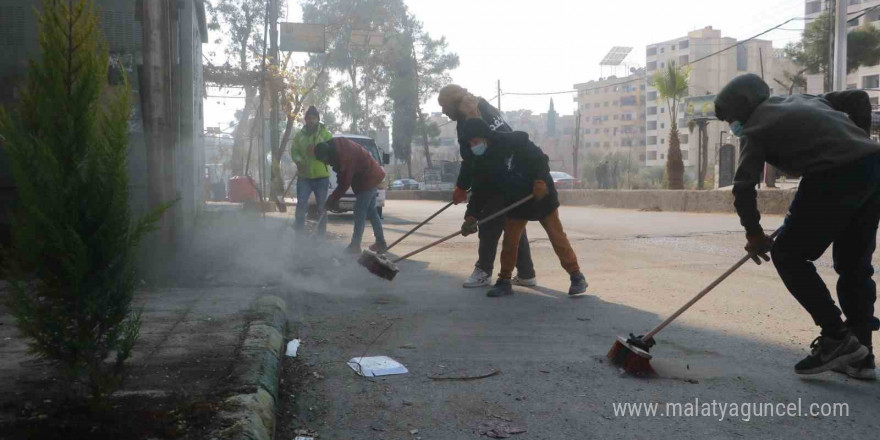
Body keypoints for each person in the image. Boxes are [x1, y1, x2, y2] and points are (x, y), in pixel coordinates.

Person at [714, 73, 880, 379]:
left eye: (730, 120)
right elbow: (858, 99)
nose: (732, 127)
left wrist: (754, 234)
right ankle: (861, 357)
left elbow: (742, 187)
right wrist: (858, 144)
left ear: (742, 110)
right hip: (873, 168)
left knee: (788, 255)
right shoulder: (803, 99)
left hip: (834, 175)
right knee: (854, 266)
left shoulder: (755, 128)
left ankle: (836, 338)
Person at [460, 118, 588, 297]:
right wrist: (471, 216)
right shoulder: (483, 161)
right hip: (515, 200)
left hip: (540, 194)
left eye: (475, 142)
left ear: (485, 137)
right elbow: (481, 189)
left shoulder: (514, 141)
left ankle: (577, 277)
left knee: (557, 236)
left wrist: (540, 180)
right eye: (470, 143)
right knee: (510, 241)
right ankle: (504, 281)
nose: (474, 146)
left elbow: (541, 159)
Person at [437, 84, 537, 289]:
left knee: (489, 224)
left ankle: (483, 271)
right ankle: (526, 273)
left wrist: (465, 192)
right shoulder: (484, 107)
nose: (443, 112)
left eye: (444, 106)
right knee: (514, 224)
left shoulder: (470, 119)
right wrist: (462, 188)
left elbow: (476, 160)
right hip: (517, 173)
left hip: (501, 178)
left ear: (455, 104)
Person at [314, 138, 387, 254]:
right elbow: (341, 174)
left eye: (325, 160)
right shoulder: (334, 147)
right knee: (371, 211)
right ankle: (381, 243)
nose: (326, 163)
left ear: (328, 154)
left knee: (359, 211)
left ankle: (355, 245)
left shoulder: (344, 155)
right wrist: (334, 198)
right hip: (372, 175)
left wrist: (332, 199)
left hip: (368, 178)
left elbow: (345, 181)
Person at [291, 106, 333, 235]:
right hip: (304, 177)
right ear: (305, 120)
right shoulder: (299, 135)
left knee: (322, 207)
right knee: (301, 205)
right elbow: (294, 151)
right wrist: (298, 162)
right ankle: (299, 233)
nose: (311, 121)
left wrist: (316, 151)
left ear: (318, 119)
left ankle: (321, 236)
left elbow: (331, 152)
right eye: (308, 118)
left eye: (313, 118)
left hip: (321, 176)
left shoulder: (326, 134)